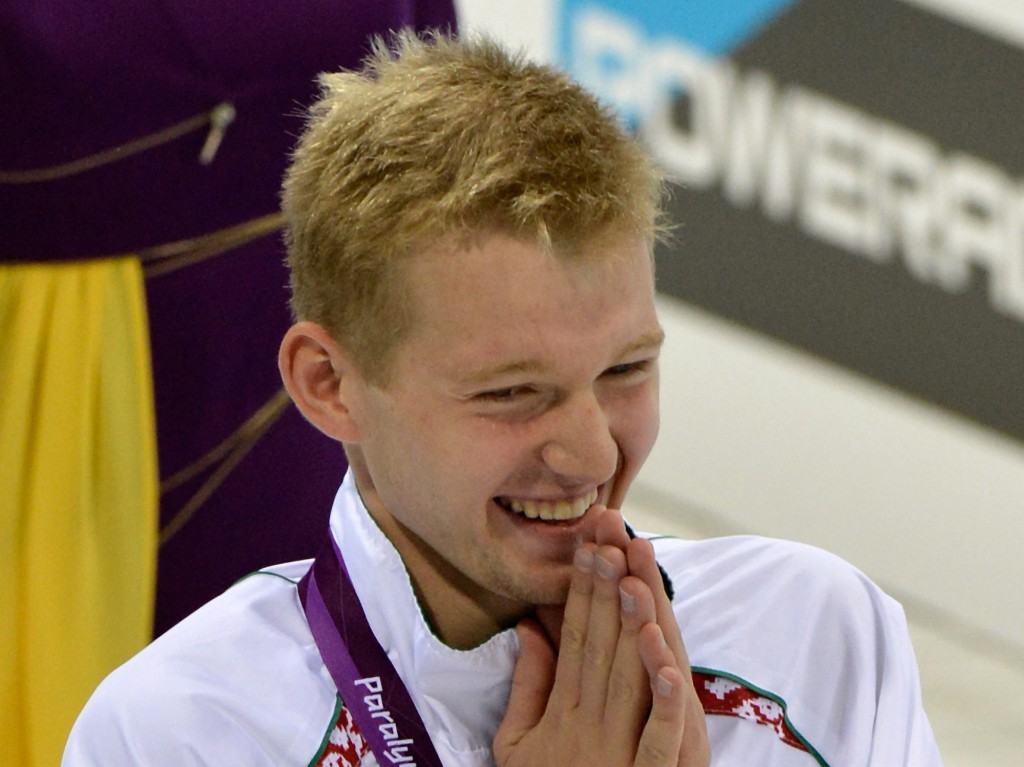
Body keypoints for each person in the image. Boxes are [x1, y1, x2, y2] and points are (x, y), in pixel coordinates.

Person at [62, 32, 943, 766]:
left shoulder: (820, 632)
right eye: (514, 392)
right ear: (329, 386)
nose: (594, 453)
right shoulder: (181, 731)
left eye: (626, 370)